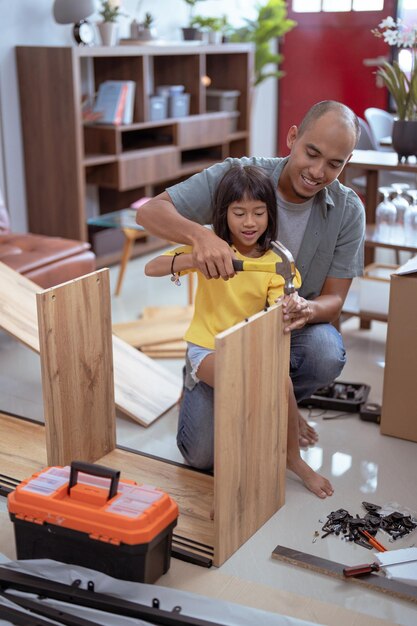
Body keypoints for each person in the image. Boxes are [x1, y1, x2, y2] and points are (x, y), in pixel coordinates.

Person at [138, 100, 365, 448]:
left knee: (326, 352)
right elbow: (151, 213)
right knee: (200, 454)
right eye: (312, 153)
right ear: (292, 137)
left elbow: (334, 301)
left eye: (334, 164)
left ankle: (274, 408)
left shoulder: (348, 210)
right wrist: (201, 237)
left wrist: (307, 309)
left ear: (347, 163)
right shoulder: (238, 177)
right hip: (222, 336)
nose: (318, 171)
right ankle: (200, 376)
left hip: (284, 332)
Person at [145, 164, 334, 498]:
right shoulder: (211, 248)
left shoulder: (277, 260)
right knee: (201, 455)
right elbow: (151, 267)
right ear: (224, 214)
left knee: (279, 379)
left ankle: (292, 458)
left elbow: (282, 301)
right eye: (239, 213)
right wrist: (193, 258)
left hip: (249, 349)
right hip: (208, 351)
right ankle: (233, 473)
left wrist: (288, 307)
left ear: (269, 214)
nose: (250, 222)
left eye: (259, 213)